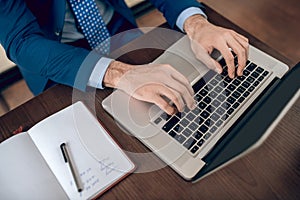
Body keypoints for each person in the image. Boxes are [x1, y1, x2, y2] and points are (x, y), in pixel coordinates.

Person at [0, 0, 249, 115]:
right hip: (56, 57)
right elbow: (23, 42)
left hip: (117, 29)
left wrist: (195, 23)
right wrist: (121, 74)